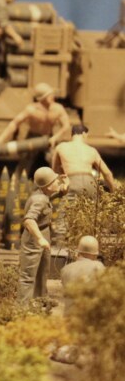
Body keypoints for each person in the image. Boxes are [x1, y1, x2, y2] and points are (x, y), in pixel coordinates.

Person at [18, 166, 64, 303]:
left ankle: (41, 298)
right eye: (55, 180)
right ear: (48, 186)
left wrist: (65, 184)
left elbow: (60, 193)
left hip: (43, 232)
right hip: (34, 238)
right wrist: (39, 239)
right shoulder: (40, 200)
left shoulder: (44, 195)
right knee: (28, 274)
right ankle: (23, 306)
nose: (58, 182)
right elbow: (28, 220)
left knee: (43, 270)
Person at [0, 82, 71, 153]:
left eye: (51, 94)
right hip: (32, 138)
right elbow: (14, 123)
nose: (51, 97)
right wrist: (0, 139)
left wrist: (55, 137)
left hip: (48, 139)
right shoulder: (31, 109)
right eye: (48, 96)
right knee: (26, 161)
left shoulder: (58, 109)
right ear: (41, 98)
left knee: (53, 158)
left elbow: (66, 126)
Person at [51, 123, 116, 200]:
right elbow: (107, 173)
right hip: (89, 182)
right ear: (84, 134)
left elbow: (54, 171)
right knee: (91, 206)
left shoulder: (61, 147)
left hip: (71, 181)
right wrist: (114, 192)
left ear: (72, 135)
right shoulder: (92, 150)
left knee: (67, 206)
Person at [59, 235, 106, 315]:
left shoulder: (65, 269)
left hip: (69, 315)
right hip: (89, 316)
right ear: (95, 254)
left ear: (78, 252)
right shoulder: (99, 267)